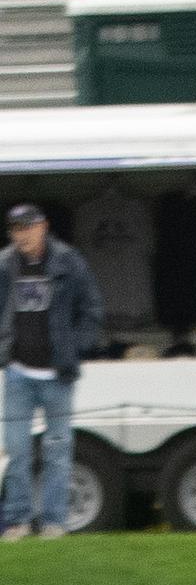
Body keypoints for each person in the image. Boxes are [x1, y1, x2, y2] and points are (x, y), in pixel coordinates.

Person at [0, 203, 105, 540]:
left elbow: (92, 309)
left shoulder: (68, 260)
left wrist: (74, 347)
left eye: (28, 227)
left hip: (57, 375)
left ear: (43, 226)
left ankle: (54, 523)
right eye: (16, 229)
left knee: (57, 451)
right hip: (18, 373)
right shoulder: (4, 264)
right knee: (16, 451)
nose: (22, 235)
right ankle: (17, 521)